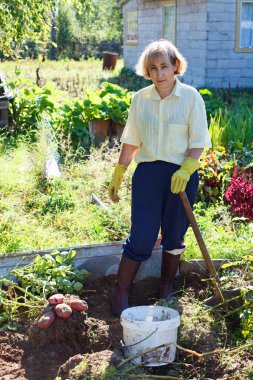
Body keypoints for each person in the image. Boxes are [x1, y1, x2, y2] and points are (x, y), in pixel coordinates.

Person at [108, 39, 211, 317]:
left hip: (181, 176)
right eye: (153, 68)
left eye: (164, 66)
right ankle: (121, 291)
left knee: (175, 236)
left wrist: (187, 167)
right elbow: (131, 141)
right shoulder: (140, 99)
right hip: (149, 176)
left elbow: (199, 140)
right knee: (142, 236)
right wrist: (119, 172)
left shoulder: (191, 98)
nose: (159, 73)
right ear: (147, 71)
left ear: (175, 66)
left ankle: (166, 288)